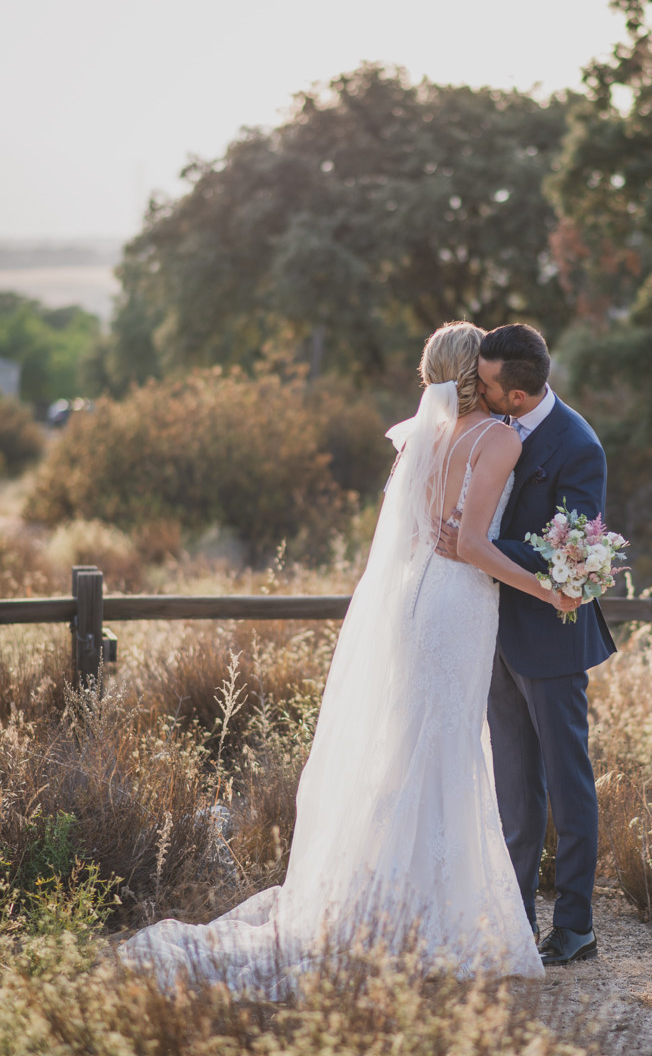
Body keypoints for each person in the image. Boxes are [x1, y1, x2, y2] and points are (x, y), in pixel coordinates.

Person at [120, 322, 577, 996]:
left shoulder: (430, 438)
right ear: (474, 374)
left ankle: (390, 904)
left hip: (415, 601)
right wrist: (551, 591)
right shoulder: (499, 437)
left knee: (414, 747)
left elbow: (434, 533)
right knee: (446, 749)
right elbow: (473, 546)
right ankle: (427, 918)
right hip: (457, 603)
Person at [438, 324, 615, 966]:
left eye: (484, 383)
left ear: (515, 395)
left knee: (568, 784)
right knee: (515, 785)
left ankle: (575, 925)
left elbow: (570, 550)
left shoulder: (577, 445)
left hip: (550, 634)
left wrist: (474, 544)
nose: (473, 389)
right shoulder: (487, 428)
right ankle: (516, 916)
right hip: (490, 630)